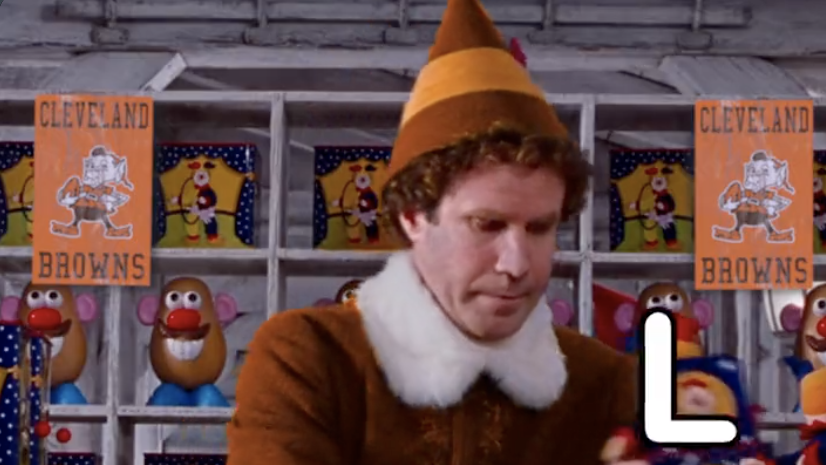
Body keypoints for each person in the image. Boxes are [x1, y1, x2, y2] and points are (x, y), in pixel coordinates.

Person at [227, 0, 638, 463]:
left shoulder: (604, 383)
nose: (517, 264)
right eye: (487, 225)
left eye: (540, 228)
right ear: (414, 218)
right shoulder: (310, 356)